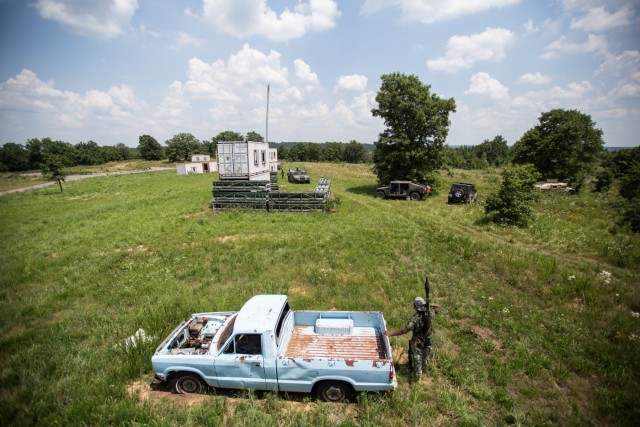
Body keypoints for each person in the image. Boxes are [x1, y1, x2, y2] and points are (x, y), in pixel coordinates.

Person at [385, 296, 438, 381]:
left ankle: (417, 379)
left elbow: (404, 331)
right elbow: (438, 306)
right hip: (427, 341)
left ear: (415, 306)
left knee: (417, 360)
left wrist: (390, 333)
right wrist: (428, 305)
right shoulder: (430, 313)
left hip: (417, 342)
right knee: (425, 357)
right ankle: (424, 367)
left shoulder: (415, 318)